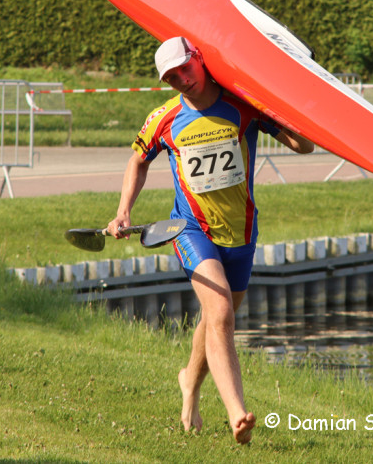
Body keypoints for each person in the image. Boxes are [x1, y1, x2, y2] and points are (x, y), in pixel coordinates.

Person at [107, 36, 313, 444]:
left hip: (241, 233)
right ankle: (238, 413)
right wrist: (123, 210)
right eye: (171, 77)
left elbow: (303, 145)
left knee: (212, 319)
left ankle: (190, 384)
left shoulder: (243, 105)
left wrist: (287, 102)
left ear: (199, 60)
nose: (181, 79)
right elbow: (138, 160)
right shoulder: (164, 118)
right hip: (189, 230)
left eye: (184, 68)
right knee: (220, 315)